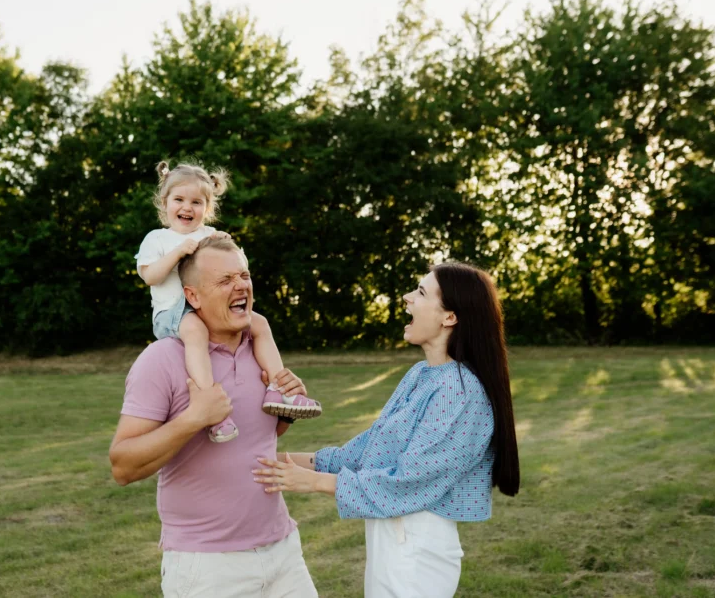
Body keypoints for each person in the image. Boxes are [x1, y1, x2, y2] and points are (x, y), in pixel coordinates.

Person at [252, 263, 520, 598]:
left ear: (449, 317)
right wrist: (282, 460)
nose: (408, 298)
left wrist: (314, 482)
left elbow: (412, 481)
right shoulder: (422, 374)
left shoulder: (459, 392)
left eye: (421, 293)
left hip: (416, 547)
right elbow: (369, 451)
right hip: (394, 536)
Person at [111, 235, 319, 597]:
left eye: (244, 275)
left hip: (283, 550)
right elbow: (122, 466)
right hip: (208, 565)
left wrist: (286, 409)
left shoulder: (261, 351)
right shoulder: (162, 360)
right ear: (192, 297)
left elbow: (257, 438)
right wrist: (194, 418)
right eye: (225, 280)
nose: (241, 286)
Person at [135, 160, 321, 443]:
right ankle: (213, 409)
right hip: (172, 313)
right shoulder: (158, 239)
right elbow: (150, 276)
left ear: (206, 208)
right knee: (196, 331)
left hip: (210, 309)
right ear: (165, 202)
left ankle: (278, 388)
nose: (187, 207)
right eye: (179, 200)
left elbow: (236, 266)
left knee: (259, 323)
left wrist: (226, 244)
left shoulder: (209, 235)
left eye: (196, 202)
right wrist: (178, 253)